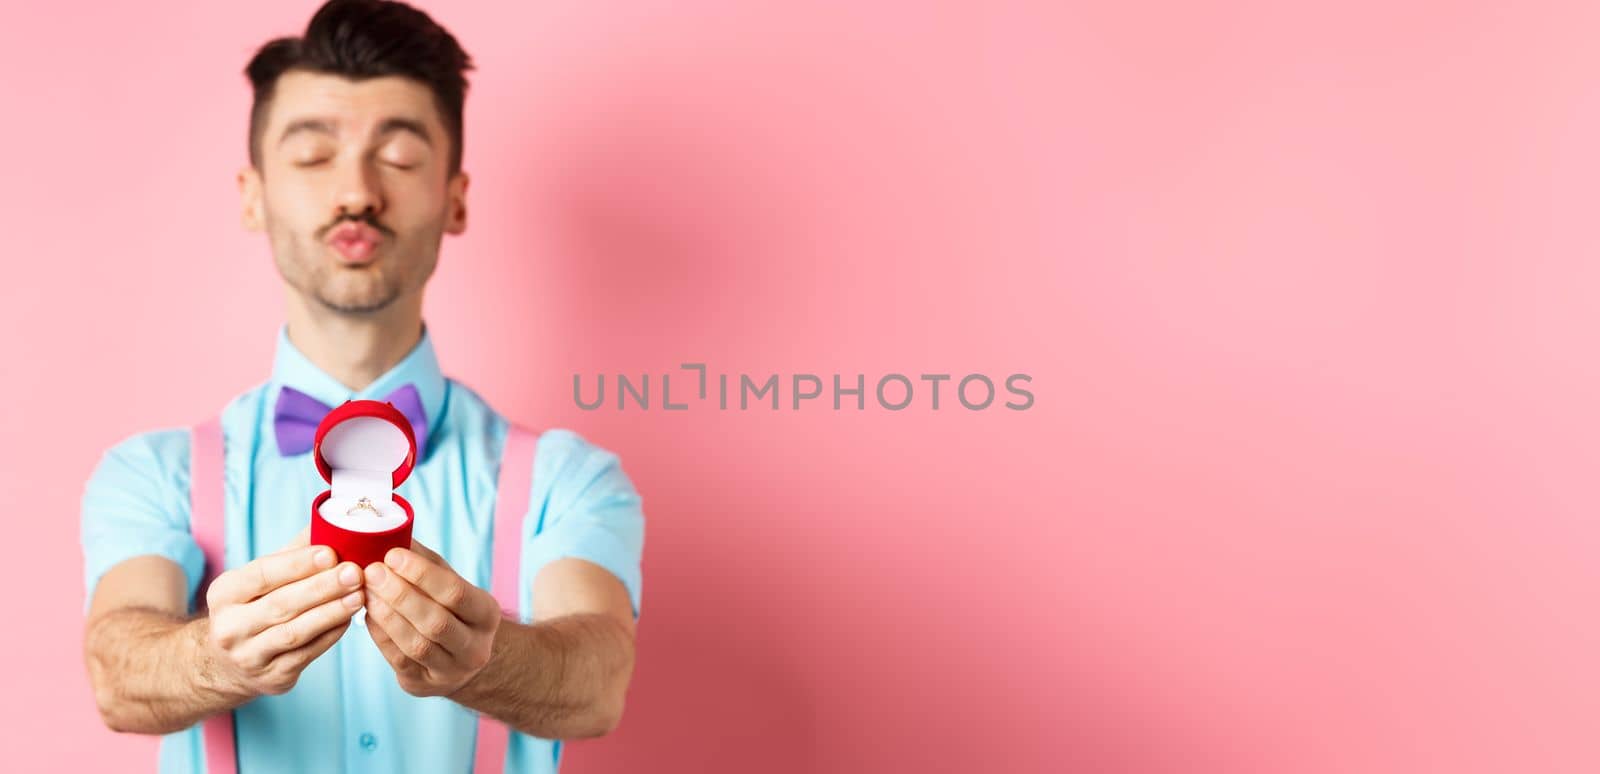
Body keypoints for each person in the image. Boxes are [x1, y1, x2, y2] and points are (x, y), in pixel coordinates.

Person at [78, 1, 645, 771]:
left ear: (455, 197)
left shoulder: (568, 478)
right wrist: (216, 658)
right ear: (253, 194)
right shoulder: (151, 474)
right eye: (313, 156)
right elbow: (116, 672)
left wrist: (486, 658)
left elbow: (597, 683)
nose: (357, 192)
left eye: (402, 157)